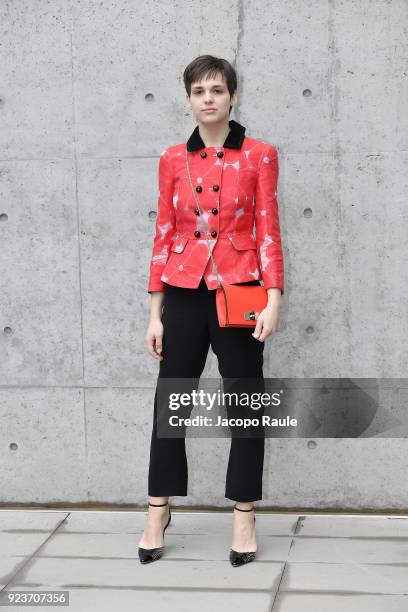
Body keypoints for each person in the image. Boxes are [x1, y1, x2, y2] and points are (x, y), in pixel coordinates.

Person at [138, 55, 284, 566]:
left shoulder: (260, 155)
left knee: (245, 404)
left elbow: (268, 228)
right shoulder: (172, 158)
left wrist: (273, 298)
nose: (208, 98)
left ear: (232, 96)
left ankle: (244, 514)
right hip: (181, 290)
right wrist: (155, 312)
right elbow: (164, 231)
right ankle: (158, 508)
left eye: (217, 90)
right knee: (170, 404)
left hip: (240, 291)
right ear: (187, 100)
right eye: (199, 91)